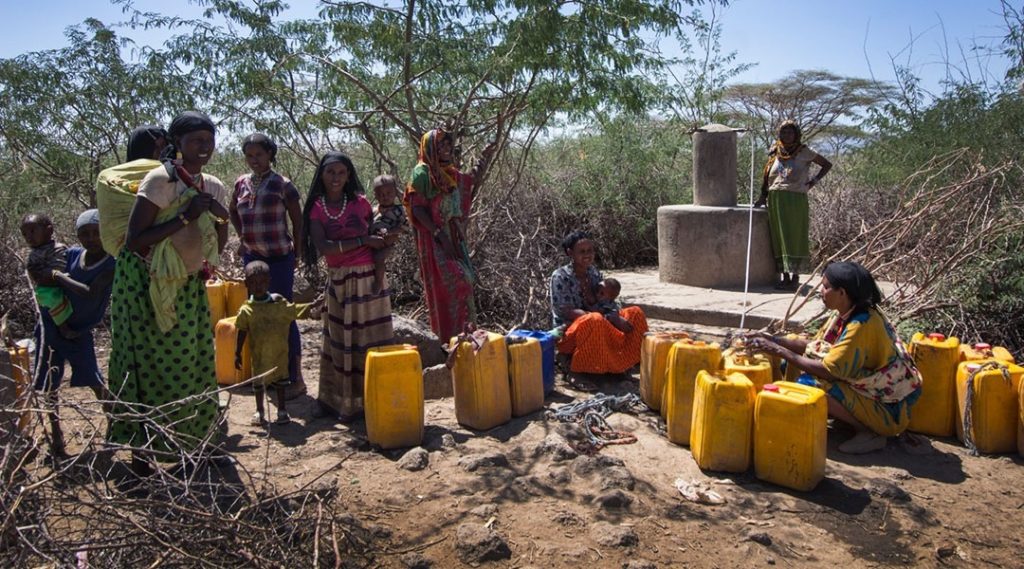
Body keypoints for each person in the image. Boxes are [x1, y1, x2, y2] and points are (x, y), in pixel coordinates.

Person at [106, 111, 230, 476]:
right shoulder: (159, 180)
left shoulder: (213, 185)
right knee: (148, 368)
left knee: (195, 365)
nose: (203, 147)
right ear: (177, 144)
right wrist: (186, 216)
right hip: (147, 287)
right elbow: (135, 240)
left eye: (208, 140)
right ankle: (142, 457)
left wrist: (219, 217)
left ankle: (196, 447)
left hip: (188, 284)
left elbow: (217, 242)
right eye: (195, 141)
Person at [744, 261, 922, 454]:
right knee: (792, 360)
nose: (821, 290)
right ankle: (846, 418)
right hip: (865, 389)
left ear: (842, 293)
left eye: (826, 287)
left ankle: (870, 431)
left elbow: (829, 371)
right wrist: (772, 339)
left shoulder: (862, 325)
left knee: (812, 386)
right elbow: (817, 346)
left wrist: (777, 350)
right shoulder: (847, 313)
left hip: (887, 408)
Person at [301, 152, 394, 422]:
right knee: (341, 341)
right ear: (322, 175)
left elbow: (379, 235)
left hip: (368, 277)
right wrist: (364, 240)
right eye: (331, 173)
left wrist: (378, 239)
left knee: (372, 338)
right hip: (340, 279)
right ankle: (342, 403)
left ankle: (375, 399)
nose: (336, 178)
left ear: (349, 175)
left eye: (341, 173)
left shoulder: (360, 202)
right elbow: (325, 247)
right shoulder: (317, 208)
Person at [32, 209, 116, 459]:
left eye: (96, 233)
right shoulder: (71, 255)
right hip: (50, 327)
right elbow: (42, 278)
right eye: (84, 234)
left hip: (78, 331)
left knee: (94, 380)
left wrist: (57, 276)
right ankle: (56, 438)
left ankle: (116, 425)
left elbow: (89, 292)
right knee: (50, 385)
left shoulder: (111, 264)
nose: (91, 239)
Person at [229, 133, 306, 398]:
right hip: (253, 260)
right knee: (257, 315)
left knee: (283, 315)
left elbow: (298, 220)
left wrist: (297, 251)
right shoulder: (241, 184)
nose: (254, 160)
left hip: (279, 258)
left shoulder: (282, 184)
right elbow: (231, 211)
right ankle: (265, 375)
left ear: (270, 154)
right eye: (249, 156)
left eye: (259, 155)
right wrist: (242, 236)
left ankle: (295, 377)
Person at [404, 128, 496, 341]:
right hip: (434, 240)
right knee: (455, 282)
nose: (446, 149)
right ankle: (450, 338)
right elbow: (417, 208)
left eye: (448, 145)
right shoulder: (422, 173)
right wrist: (439, 235)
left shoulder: (449, 173)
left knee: (466, 283)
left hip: (454, 238)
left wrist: (485, 155)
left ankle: (467, 336)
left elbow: (470, 180)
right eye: (441, 145)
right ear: (430, 148)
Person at [550, 231, 648, 388]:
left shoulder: (593, 273)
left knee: (634, 313)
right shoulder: (560, 276)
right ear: (570, 253)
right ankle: (575, 370)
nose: (587, 255)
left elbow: (608, 301)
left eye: (590, 251)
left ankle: (619, 365)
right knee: (594, 319)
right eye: (582, 252)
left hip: (599, 322)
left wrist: (615, 316)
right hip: (569, 333)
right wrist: (607, 319)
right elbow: (566, 311)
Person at [234, 261, 318, 428]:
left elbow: (295, 310)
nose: (258, 287)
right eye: (254, 283)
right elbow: (241, 331)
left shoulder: (278, 304)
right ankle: (259, 411)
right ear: (247, 284)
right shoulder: (247, 310)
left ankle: (282, 410)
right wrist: (237, 353)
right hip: (259, 355)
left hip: (279, 354)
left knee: (281, 382)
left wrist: (314, 306)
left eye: (262, 282)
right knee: (258, 383)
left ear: (269, 282)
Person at [754, 120, 832, 290]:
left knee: (795, 236)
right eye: (784, 132)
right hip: (775, 198)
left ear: (796, 134)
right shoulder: (775, 151)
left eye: (790, 132)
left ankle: (795, 277)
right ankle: (785, 277)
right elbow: (767, 175)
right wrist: (763, 196)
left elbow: (827, 164)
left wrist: (813, 181)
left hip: (795, 199)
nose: (787, 135)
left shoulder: (804, 151)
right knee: (779, 237)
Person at [21, 214, 76, 339]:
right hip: (45, 287)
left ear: (49, 230)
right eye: (25, 234)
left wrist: (47, 274)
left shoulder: (57, 248)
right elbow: (33, 272)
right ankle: (60, 329)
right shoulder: (35, 252)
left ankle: (65, 327)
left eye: (33, 231)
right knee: (50, 300)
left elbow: (59, 268)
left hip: (58, 285)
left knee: (55, 299)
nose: (29, 237)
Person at [368, 174, 407, 294]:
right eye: (381, 194)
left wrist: (391, 232)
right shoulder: (374, 210)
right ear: (375, 195)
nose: (385, 197)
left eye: (389, 193)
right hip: (371, 242)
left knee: (379, 258)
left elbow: (405, 227)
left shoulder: (399, 210)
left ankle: (378, 282)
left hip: (387, 244)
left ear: (395, 192)